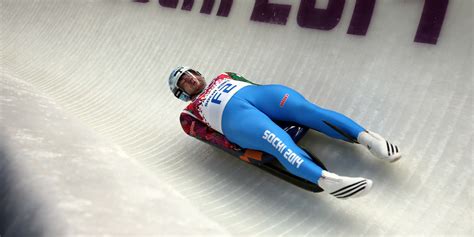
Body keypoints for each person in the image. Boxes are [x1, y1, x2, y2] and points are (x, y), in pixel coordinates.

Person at [168, 66, 402, 199]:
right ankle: (327, 180)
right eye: (184, 81)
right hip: (237, 121)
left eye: (190, 74)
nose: (190, 79)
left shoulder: (225, 75)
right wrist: (241, 151)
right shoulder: (188, 115)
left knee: (306, 110)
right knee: (276, 139)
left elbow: (254, 85)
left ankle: (369, 139)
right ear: (181, 92)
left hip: (262, 97)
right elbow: (213, 139)